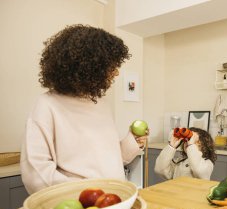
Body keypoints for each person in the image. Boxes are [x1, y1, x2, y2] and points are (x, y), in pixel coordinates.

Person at [20, 25, 148, 194]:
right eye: (111, 66)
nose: (116, 73)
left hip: (114, 199)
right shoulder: (47, 104)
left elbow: (109, 160)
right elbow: (36, 174)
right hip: (79, 206)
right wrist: (89, 194)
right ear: (89, 66)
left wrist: (132, 142)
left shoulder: (101, 103)